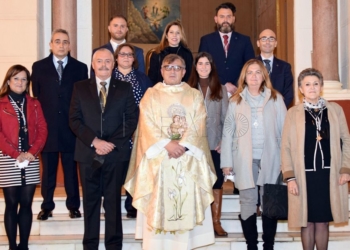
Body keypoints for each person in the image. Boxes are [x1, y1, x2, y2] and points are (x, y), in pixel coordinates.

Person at [124, 54, 217, 249]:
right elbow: (147, 122)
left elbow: (199, 121)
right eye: (168, 67)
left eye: (177, 68)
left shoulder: (193, 94)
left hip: (187, 158)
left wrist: (182, 145)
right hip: (159, 160)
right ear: (161, 71)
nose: (172, 71)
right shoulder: (151, 94)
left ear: (184, 71)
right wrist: (168, 144)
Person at [69, 48, 138, 250]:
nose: (104, 65)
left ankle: (114, 245)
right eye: (99, 61)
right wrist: (95, 141)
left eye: (108, 61)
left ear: (113, 64)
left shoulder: (124, 88)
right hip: (88, 153)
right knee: (90, 203)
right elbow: (74, 120)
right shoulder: (80, 88)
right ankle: (90, 245)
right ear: (92, 64)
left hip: (116, 154)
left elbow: (131, 119)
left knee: (112, 201)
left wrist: (111, 143)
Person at [281, 68, 350, 250]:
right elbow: (286, 147)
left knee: (323, 221)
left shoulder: (335, 110)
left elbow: (347, 140)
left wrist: (345, 169)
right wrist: (290, 177)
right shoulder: (293, 113)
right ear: (301, 89)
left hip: (329, 174)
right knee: (307, 221)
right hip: (303, 175)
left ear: (321, 86)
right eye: (307, 84)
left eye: (316, 83)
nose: (312, 87)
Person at [221, 59, 287, 250]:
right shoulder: (236, 101)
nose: (254, 76)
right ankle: (252, 245)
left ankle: (268, 245)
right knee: (248, 202)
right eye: (250, 73)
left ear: (264, 76)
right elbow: (228, 133)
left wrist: (286, 160)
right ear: (244, 77)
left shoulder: (276, 99)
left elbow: (285, 131)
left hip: (271, 159)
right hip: (244, 159)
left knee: (269, 202)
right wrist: (227, 162)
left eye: (258, 72)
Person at [32, 29, 88, 221]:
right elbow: (37, 96)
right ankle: (47, 206)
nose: (61, 45)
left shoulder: (80, 68)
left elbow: (82, 98)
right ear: (51, 45)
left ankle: (73, 206)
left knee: (71, 170)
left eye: (65, 42)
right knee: (48, 171)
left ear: (70, 45)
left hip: (71, 127)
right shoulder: (38, 67)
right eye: (57, 41)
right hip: (47, 128)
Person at [0, 65, 48, 250]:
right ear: (8, 81)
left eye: (23, 79)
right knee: (11, 203)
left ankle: (24, 245)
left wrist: (32, 152)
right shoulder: (1, 103)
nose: (20, 82)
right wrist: (16, 154)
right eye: (16, 79)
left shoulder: (34, 103)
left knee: (26, 203)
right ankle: (12, 246)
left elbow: (43, 129)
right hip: (8, 157)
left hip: (31, 157)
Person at [187, 52, 229, 236]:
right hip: (193, 145)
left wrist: (223, 141)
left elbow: (227, 119)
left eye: (207, 64)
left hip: (215, 144)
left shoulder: (221, 89)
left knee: (216, 182)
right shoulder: (187, 89)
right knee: (194, 181)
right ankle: (196, 223)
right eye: (200, 63)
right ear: (195, 66)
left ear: (212, 67)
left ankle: (215, 222)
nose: (204, 67)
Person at [113, 43, 152, 218]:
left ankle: (132, 205)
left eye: (130, 55)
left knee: (135, 168)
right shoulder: (109, 77)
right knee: (114, 170)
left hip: (137, 131)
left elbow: (149, 105)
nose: (127, 58)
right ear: (116, 58)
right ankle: (112, 205)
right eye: (123, 54)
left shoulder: (143, 79)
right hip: (113, 131)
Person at [198, 2, 255, 95]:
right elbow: (202, 67)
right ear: (216, 19)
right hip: (214, 91)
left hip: (240, 92)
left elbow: (250, 66)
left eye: (228, 16)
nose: (225, 20)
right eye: (222, 17)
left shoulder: (244, 40)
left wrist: (238, 85)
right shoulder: (206, 40)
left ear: (233, 19)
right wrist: (223, 85)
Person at [148, 20, 193, 85]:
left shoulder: (187, 54)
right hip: (161, 90)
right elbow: (152, 78)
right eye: (171, 32)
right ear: (166, 35)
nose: (174, 35)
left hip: (181, 91)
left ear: (181, 36)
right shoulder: (157, 54)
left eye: (178, 33)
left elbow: (190, 77)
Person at [256, 29, 294, 107]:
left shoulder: (285, 67)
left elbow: (289, 94)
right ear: (258, 43)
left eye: (271, 39)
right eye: (264, 39)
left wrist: (278, 109)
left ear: (275, 43)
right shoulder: (250, 65)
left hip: (279, 112)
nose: (267, 42)